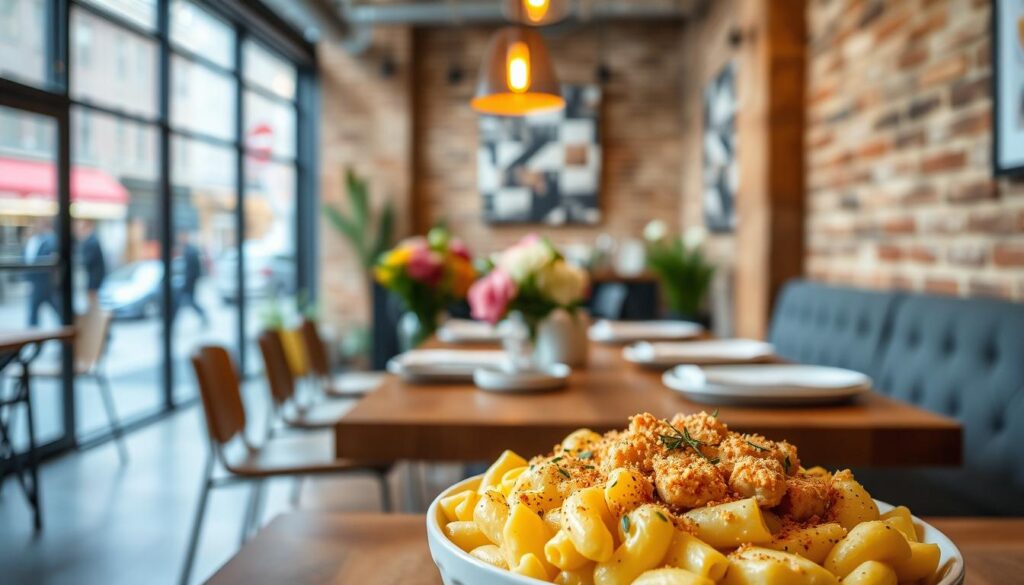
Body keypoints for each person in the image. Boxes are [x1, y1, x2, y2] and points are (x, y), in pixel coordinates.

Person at [24, 218, 59, 327]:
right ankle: (35, 339)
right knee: (34, 314)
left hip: (45, 283)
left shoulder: (49, 239)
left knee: (56, 310)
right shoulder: (35, 240)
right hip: (38, 283)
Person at [173, 231, 208, 326]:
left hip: (189, 282)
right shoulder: (189, 250)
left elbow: (192, 269)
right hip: (190, 282)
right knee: (189, 302)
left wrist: (187, 282)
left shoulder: (190, 251)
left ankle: (171, 323)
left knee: (184, 302)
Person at [76, 218, 106, 310]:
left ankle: (94, 318)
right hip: (94, 276)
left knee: (92, 299)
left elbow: (88, 260)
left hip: (94, 277)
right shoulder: (91, 240)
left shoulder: (91, 241)